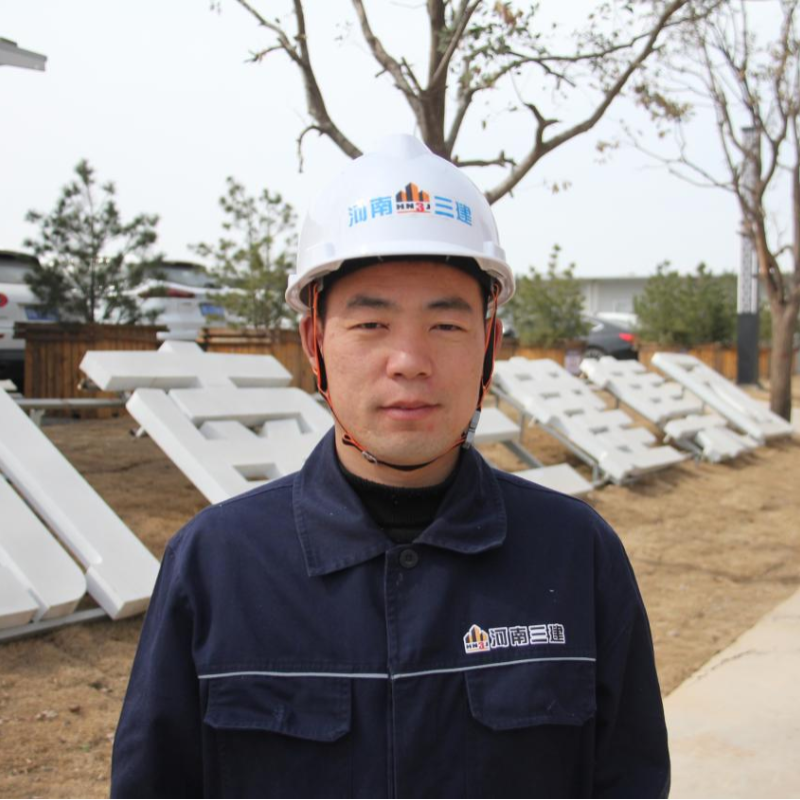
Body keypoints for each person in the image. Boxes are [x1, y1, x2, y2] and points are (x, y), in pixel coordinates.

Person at [110, 134, 670, 799]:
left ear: (490, 344)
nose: (408, 361)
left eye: (446, 325)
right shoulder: (216, 565)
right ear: (314, 341)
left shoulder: (576, 556)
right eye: (371, 325)